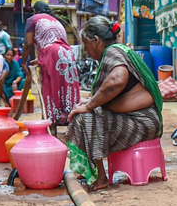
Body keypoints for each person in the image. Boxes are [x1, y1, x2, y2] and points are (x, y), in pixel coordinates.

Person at [65, 16, 163, 192]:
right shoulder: (118, 51)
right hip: (140, 119)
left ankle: (100, 177)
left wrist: (89, 106)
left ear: (95, 41)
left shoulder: (113, 52)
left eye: (85, 44)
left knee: (86, 117)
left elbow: (117, 80)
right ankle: (91, 169)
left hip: (142, 122)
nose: (85, 50)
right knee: (85, 114)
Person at [23, 1, 80, 128]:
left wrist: (23, 63)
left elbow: (28, 44)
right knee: (66, 87)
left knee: (51, 86)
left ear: (35, 11)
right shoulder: (56, 21)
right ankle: (71, 126)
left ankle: (51, 127)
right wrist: (40, 60)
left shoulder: (33, 19)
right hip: (67, 54)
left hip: (52, 53)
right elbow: (56, 42)